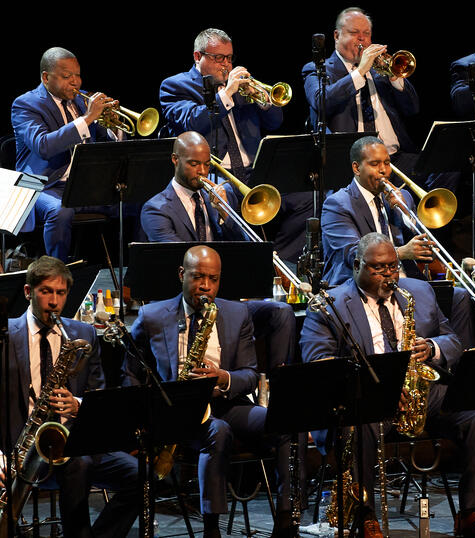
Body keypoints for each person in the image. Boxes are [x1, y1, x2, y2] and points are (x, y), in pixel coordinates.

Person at [300, 233, 475, 538]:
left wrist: (431, 347)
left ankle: (472, 511)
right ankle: (363, 515)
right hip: (366, 400)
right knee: (359, 421)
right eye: (379, 268)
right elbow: (318, 362)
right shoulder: (330, 305)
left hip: (419, 393)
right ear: (356, 266)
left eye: (393, 267)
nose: (389, 275)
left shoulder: (418, 291)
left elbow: (454, 341)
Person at [123, 245, 292, 537]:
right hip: (177, 413)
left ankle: (287, 518)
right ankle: (211, 528)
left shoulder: (237, 313)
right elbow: (130, 371)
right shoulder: (152, 315)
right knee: (219, 431)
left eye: (213, 279)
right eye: (198, 277)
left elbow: (250, 375)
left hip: (226, 404)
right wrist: (146, 417)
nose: (206, 286)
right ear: (181, 274)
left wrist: (223, 377)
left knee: (284, 422)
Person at [0, 256, 139, 536]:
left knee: (140, 475)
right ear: (28, 292)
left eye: (61, 293)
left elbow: (97, 395)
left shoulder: (82, 334)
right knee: (79, 465)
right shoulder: (5, 335)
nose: (54, 301)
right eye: (46, 291)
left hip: (76, 442)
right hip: (21, 449)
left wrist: (77, 405)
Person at [141, 131, 296, 376]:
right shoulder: (156, 209)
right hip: (187, 300)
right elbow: (180, 260)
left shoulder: (219, 198)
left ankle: (277, 386)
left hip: (225, 298)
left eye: (206, 164)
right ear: (175, 160)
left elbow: (246, 251)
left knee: (282, 312)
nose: (202, 171)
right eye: (193, 164)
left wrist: (226, 214)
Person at [321, 136, 475, 348]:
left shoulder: (401, 197)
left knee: (460, 297)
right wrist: (402, 252)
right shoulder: (338, 204)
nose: (383, 170)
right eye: (375, 164)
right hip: (360, 283)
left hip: (403, 281)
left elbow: (421, 240)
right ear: (356, 168)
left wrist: (405, 212)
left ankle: (455, 363)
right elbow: (352, 254)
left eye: (387, 162)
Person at [11, 47, 122, 261]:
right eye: (66, 76)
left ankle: (131, 275)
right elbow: (43, 146)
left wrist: (113, 124)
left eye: (77, 75)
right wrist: (87, 119)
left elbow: (106, 142)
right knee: (60, 211)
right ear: (46, 77)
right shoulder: (26, 104)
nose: (75, 82)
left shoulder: (81, 102)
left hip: (80, 185)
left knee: (135, 201)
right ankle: (56, 273)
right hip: (40, 185)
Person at [302, 7, 420, 173]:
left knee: (444, 168)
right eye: (354, 32)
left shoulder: (380, 72)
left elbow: (412, 109)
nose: (362, 39)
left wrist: (395, 76)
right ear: (337, 36)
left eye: (366, 33)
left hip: (394, 157)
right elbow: (321, 102)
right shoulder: (317, 69)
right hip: (353, 165)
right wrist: (359, 72)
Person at [159, 28, 282, 182]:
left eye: (229, 58)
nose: (226, 65)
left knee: (306, 198)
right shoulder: (175, 86)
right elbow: (192, 123)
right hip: (212, 175)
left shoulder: (241, 84)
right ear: (198, 56)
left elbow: (275, 123)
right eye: (218, 58)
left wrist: (264, 102)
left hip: (256, 170)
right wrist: (226, 94)